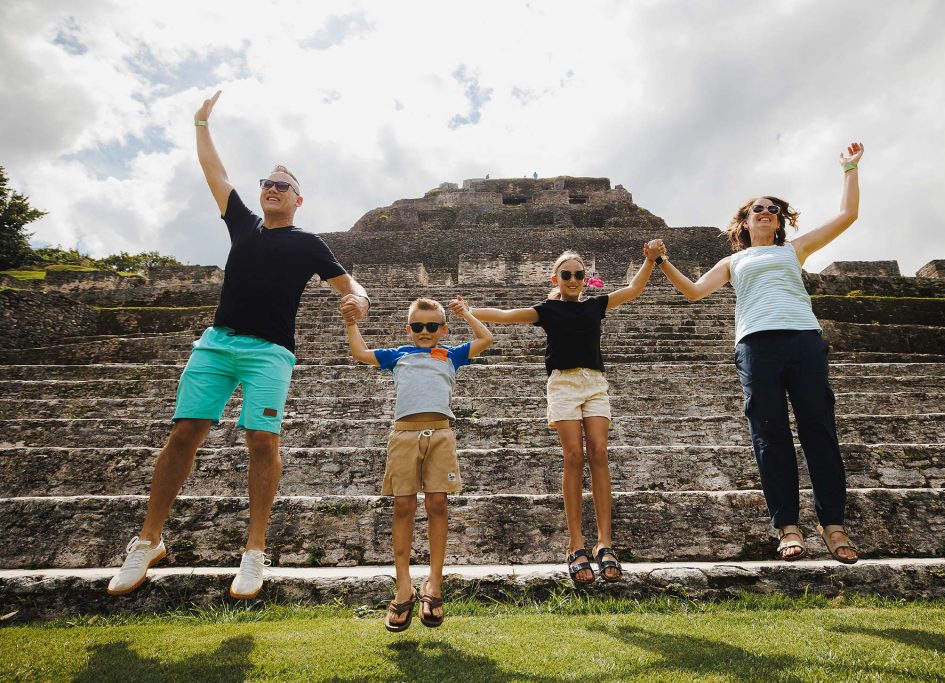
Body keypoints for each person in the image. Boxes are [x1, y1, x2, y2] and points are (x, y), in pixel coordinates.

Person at [106, 91, 371, 599]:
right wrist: (201, 122)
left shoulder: (309, 243)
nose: (272, 189)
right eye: (267, 183)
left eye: (283, 185)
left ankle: (254, 551)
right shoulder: (243, 223)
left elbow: (350, 286)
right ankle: (147, 540)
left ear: (298, 198)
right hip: (215, 344)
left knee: (261, 440)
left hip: (270, 352)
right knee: (185, 433)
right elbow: (215, 174)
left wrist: (358, 302)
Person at [651, 142, 865, 564]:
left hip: (803, 339)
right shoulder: (734, 261)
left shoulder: (793, 250)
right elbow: (694, 292)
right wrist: (662, 262)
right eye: (756, 209)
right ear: (745, 222)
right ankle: (787, 526)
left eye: (772, 209)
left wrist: (850, 169)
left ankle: (833, 524)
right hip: (755, 345)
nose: (765, 212)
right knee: (770, 437)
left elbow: (847, 216)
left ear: (780, 221)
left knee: (818, 429)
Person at [470, 246, 661, 583]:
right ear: (555, 278)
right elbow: (505, 314)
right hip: (562, 384)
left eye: (578, 274)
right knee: (573, 456)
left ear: (585, 279)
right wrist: (466, 310)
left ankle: (605, 543)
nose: (573, 280)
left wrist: (649, 260)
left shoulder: (595, 305)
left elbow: (633, 290)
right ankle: (576, 544)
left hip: (594, 382)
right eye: (566, 275)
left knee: (599, 453)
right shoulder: (547, 309)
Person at [345, 297, 493, 631]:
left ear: (443, 329)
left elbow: (486, 339)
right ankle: (402, 586)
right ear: (408, 328)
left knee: (438, 504)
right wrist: (351, 322)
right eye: (417, 326)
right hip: (404, 436)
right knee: (402, 507)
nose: (424, 332)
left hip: (440, 433)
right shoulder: (398, 354)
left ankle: (434, 584)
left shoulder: (451, 353)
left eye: (431, 326)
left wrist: (465, 313)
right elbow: (360, 353)